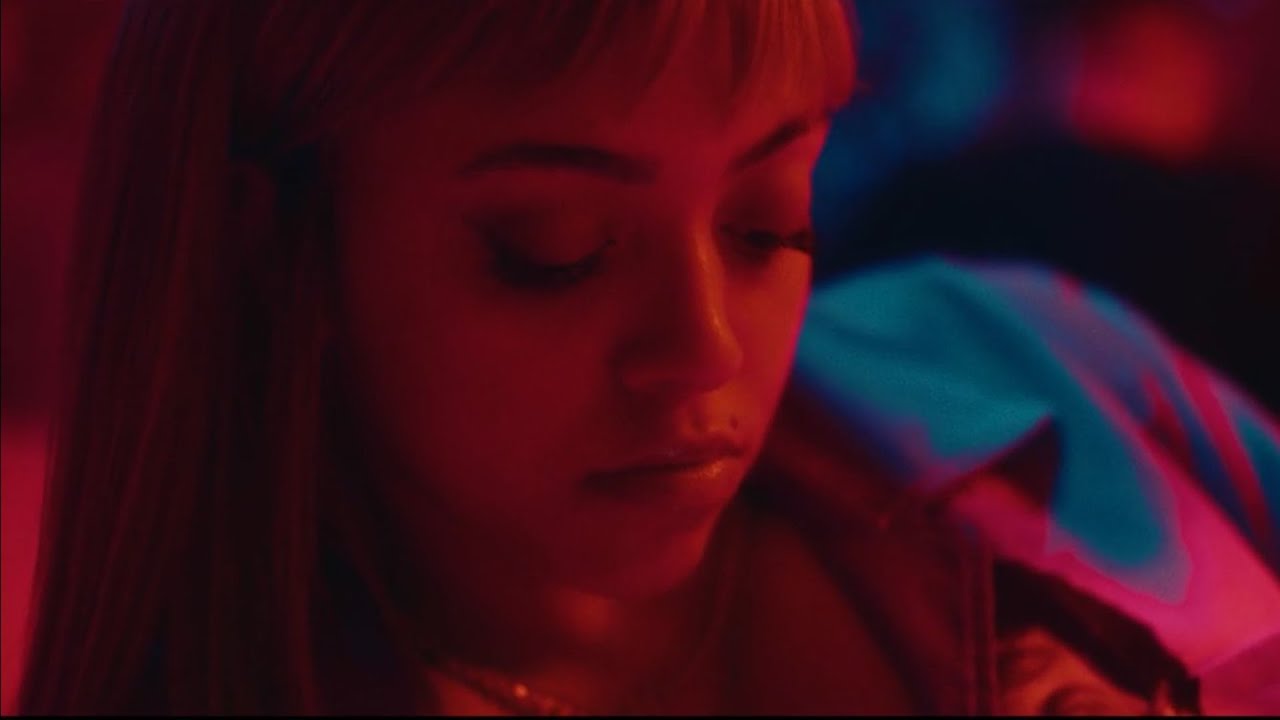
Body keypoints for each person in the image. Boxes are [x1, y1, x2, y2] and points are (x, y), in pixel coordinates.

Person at [15, 0, 1279, 715]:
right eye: (554, 251)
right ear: (271, 254)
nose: (702, 349)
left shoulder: (1031, 358)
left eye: (764, 220)